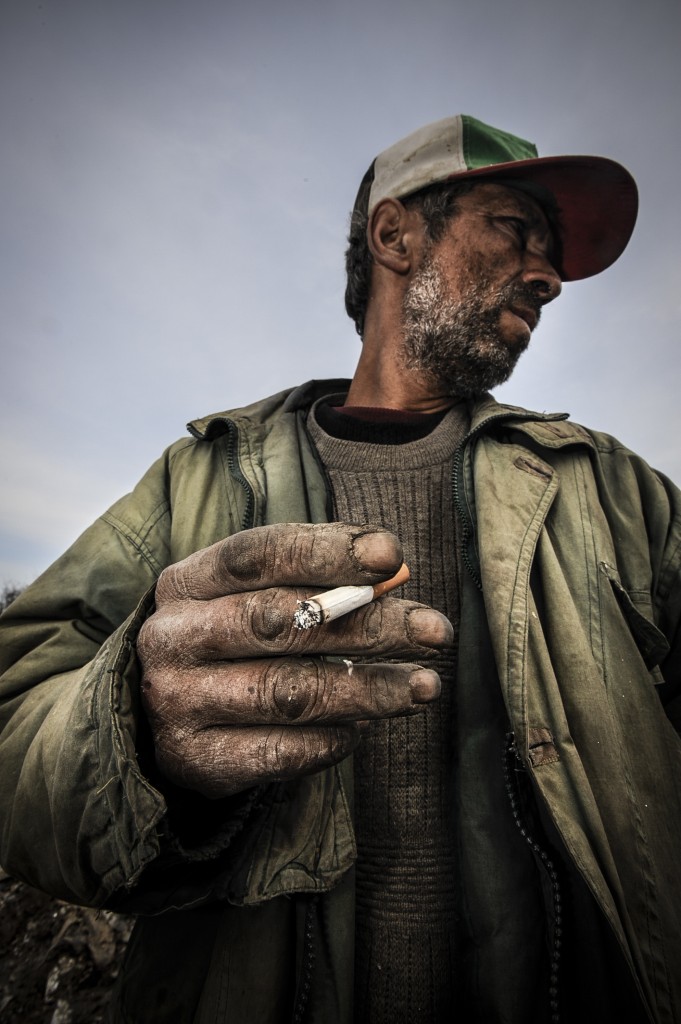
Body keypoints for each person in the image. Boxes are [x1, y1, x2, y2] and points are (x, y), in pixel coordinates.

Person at [0, 114, 679, 1024]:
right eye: (514, 229)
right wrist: (135, 727)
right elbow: (17, 706)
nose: (548, 275)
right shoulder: (199, 476)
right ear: (395, 235)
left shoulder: (613, 490)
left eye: (550, 251)